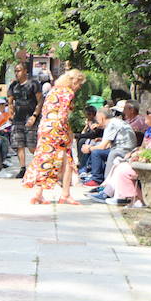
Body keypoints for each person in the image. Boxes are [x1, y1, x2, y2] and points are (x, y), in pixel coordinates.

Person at [26, 69, 87, 204]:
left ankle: (38, 193)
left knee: (44, 158)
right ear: (75, 81)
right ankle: (65, 194)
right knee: (68, 160)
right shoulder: (68, 93)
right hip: (58, 130)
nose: (79, 88)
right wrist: (69, 132)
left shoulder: (53, 90)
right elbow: (63, 115)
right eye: (79, 84)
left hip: (45, 129)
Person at [79, 105, 135, 186]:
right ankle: (94, 175)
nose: (96, 121)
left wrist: (89, 148)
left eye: (97, 118)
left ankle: (97, 179)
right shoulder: (114, 122)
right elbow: (108, 143)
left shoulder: (111, 124)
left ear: (102, 117)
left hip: (122, 151)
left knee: (96, 152)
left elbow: (103, 146)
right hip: (123, 149)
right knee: (96, 149)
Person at [6, 63, 43, 173]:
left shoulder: (33, 83)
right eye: (15, 71)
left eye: (19, 70)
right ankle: (22, 168)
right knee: (19, 144)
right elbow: (10, 100)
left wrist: (35, 116)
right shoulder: (14, 85)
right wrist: (11, 112)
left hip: (31, 118)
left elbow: (40, 100)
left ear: (25, 71)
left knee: (32, 146)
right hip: (18, 119)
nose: (17, 73)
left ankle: (39, 166)